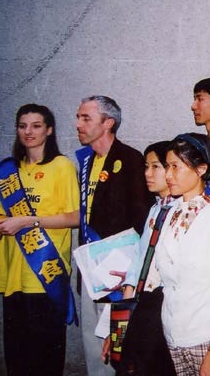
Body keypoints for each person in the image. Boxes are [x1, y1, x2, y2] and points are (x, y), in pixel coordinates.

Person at [0, 104, 79, 376]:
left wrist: (28, 221)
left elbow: (75, 217)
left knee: (45, 359)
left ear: (49, 130)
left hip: (45, 273)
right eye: (23, 126)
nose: (28, 132)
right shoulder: (9, 171)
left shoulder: (61, 166)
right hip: (13, 274)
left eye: (36, 126)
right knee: (16, 357)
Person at [75, 95, 153, 376]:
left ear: (108, 123)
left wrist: (130, 272)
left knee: (113, 347)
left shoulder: (130, 159)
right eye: (78, 117)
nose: (78, 124)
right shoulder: (86, 161)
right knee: (91, 343)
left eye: (86, 118)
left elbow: (142, 218)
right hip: (90, 267)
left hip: (117, 271)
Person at [156, 133, 210, 376]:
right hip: (172, 334)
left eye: (176, 167)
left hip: (206, 337)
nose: (168, 175)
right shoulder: (169, 214)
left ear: (201, 169)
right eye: (167, 166)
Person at [108, 141, 177, 376]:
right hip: (140, 303)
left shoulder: (182, 212)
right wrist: (124, 312)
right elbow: (139, 259)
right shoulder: (155, 209)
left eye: (155, 166)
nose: (147, 173)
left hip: (161, 306)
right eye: (146, 167)